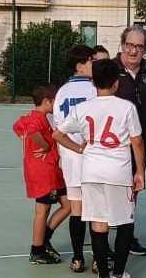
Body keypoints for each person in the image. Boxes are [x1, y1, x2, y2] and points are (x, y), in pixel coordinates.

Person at [53, 59, 146, 278]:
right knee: (124, 223)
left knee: (98, 223)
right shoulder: (126, 107)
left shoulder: (83, 107)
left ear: (94, 82)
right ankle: (119, 273)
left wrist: (78, 148)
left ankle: (103, 273)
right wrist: (140, 171)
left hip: (91, 172)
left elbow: (57, 134)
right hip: (118, 172)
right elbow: (137, 141)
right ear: (116, 83)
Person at [52, 44, 99, 272]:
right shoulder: (94, 90)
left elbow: (59, 129)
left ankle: (78, 258)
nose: (94, 64)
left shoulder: (61, 92)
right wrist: (84, 147)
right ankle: (98, 260)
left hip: (71, 159)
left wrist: (74, 147)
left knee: (77, 210)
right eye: (91, 60)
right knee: (97, 211)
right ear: (80, 66)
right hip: (92, 158)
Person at [12, 84, 70, 265]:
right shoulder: (37, 119)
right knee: (42, 210)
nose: (57, 106)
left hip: (48, 170)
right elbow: (31, 131)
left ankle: (43, 240)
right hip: (44, 171)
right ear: (47, 101)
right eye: (55, 102)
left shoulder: (32, 116)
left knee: (68, 204)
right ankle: (37, 249)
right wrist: (44, 145)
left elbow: (18, 126)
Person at [113, 25, 146, 256]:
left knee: (134, 188)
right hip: (113, 145)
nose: (133, 51)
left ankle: (127, 234)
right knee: (109, 189)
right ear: (122, 45)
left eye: (139, 47)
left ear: (145, 50)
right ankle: (101, 240)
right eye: (130, 45)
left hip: (139, 142)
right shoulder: (110, 70)